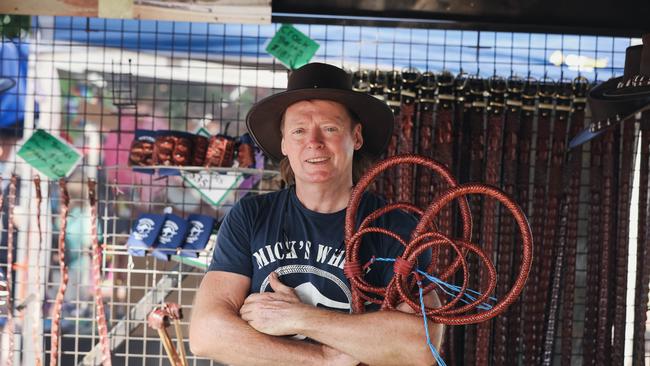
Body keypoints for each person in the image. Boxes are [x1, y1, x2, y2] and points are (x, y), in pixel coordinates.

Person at [189, 63, 443, 366]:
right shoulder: (251, 215)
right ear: (284, 142)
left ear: (356, 137)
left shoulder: (395, 226)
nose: (314, 142)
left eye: (330, 128)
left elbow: (421, 346)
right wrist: (322, 359)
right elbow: (206, 333)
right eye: (299, 130)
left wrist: (301, 317)